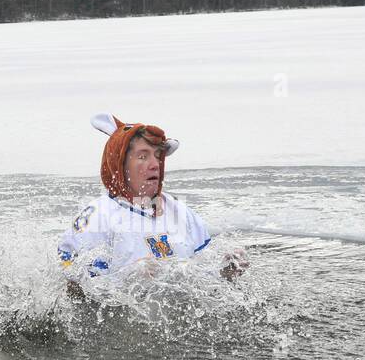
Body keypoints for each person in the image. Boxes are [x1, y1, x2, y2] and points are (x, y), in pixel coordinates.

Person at [57, 113, 246, 282]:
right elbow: (77, 289)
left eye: (158, 156)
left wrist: (223, 272)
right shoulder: (98, 217)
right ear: (119, 165)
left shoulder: (179, 211)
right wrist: (129, 280)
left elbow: (200, 276)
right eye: (142, 156)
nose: (155, 164)